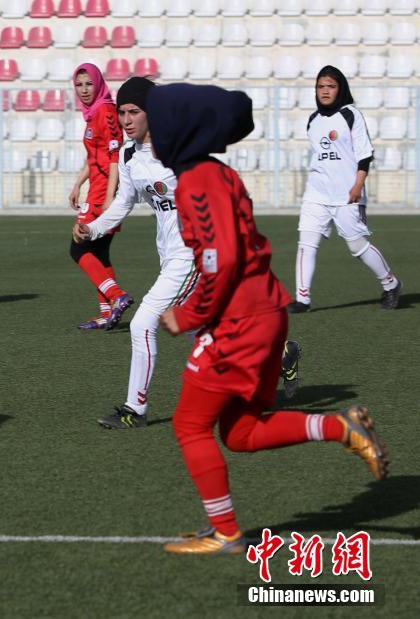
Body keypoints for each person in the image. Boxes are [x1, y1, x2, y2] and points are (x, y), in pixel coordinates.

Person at [146, 83, 388, 554]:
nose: (153, 137)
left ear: (180, 129)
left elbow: (223, 258)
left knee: (189, 425)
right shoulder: (214, 172)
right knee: (240, 432)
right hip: (263, 312)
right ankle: (342, 427)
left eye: (158, 126)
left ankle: (226, 533)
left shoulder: (198, 179)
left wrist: (191, 313)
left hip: (241, 321)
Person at [74, 77, 197, 428]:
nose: (126, 120)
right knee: (197, 329)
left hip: (195, 253)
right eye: (122, 112)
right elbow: (123, 203)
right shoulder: (129, 154)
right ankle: (275, 358)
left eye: (134, 112)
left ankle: (134, 410)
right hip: (171, 254)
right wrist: (93, 228)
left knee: (143, 323)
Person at [290, 65, 401, 312]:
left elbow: (364, 155)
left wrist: (357, 186)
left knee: (356, 246)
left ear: (340, 88)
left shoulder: (351, 114)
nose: (325, 91)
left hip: (347, 193)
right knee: (306, 243)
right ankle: (302, 299)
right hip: (316, 193)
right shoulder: (313, 120)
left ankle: (391, 284)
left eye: (331, 86)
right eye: (321, 86)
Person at [69, 63, 133, 330]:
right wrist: (77, 185)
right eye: (79, 85)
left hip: (103, 191)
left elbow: (113, 156)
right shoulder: (93, 113)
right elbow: (93, 157)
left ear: (98, 84)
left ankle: (117, 296)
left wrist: (109, 197)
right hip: (96, 188)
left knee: (78, 247)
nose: (84, 90)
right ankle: (107, 313)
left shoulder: (105, 111)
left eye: (88, 84)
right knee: (99, 252)